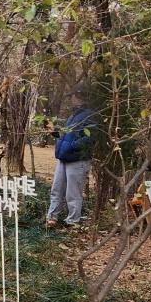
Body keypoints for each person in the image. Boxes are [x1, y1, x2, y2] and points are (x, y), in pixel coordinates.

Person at [46, 89, 97, 228]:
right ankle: (52, 218)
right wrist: (55, 133)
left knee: (73, 193)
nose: (71, 99)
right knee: (57, 189)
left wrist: (72, 146)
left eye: (72, 96)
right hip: (64, 157)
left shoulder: (90, 115)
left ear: (80, 96)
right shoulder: (74, 115)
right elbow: (67, 136)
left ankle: (72, 222)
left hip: (78, 159)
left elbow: (90, 137)